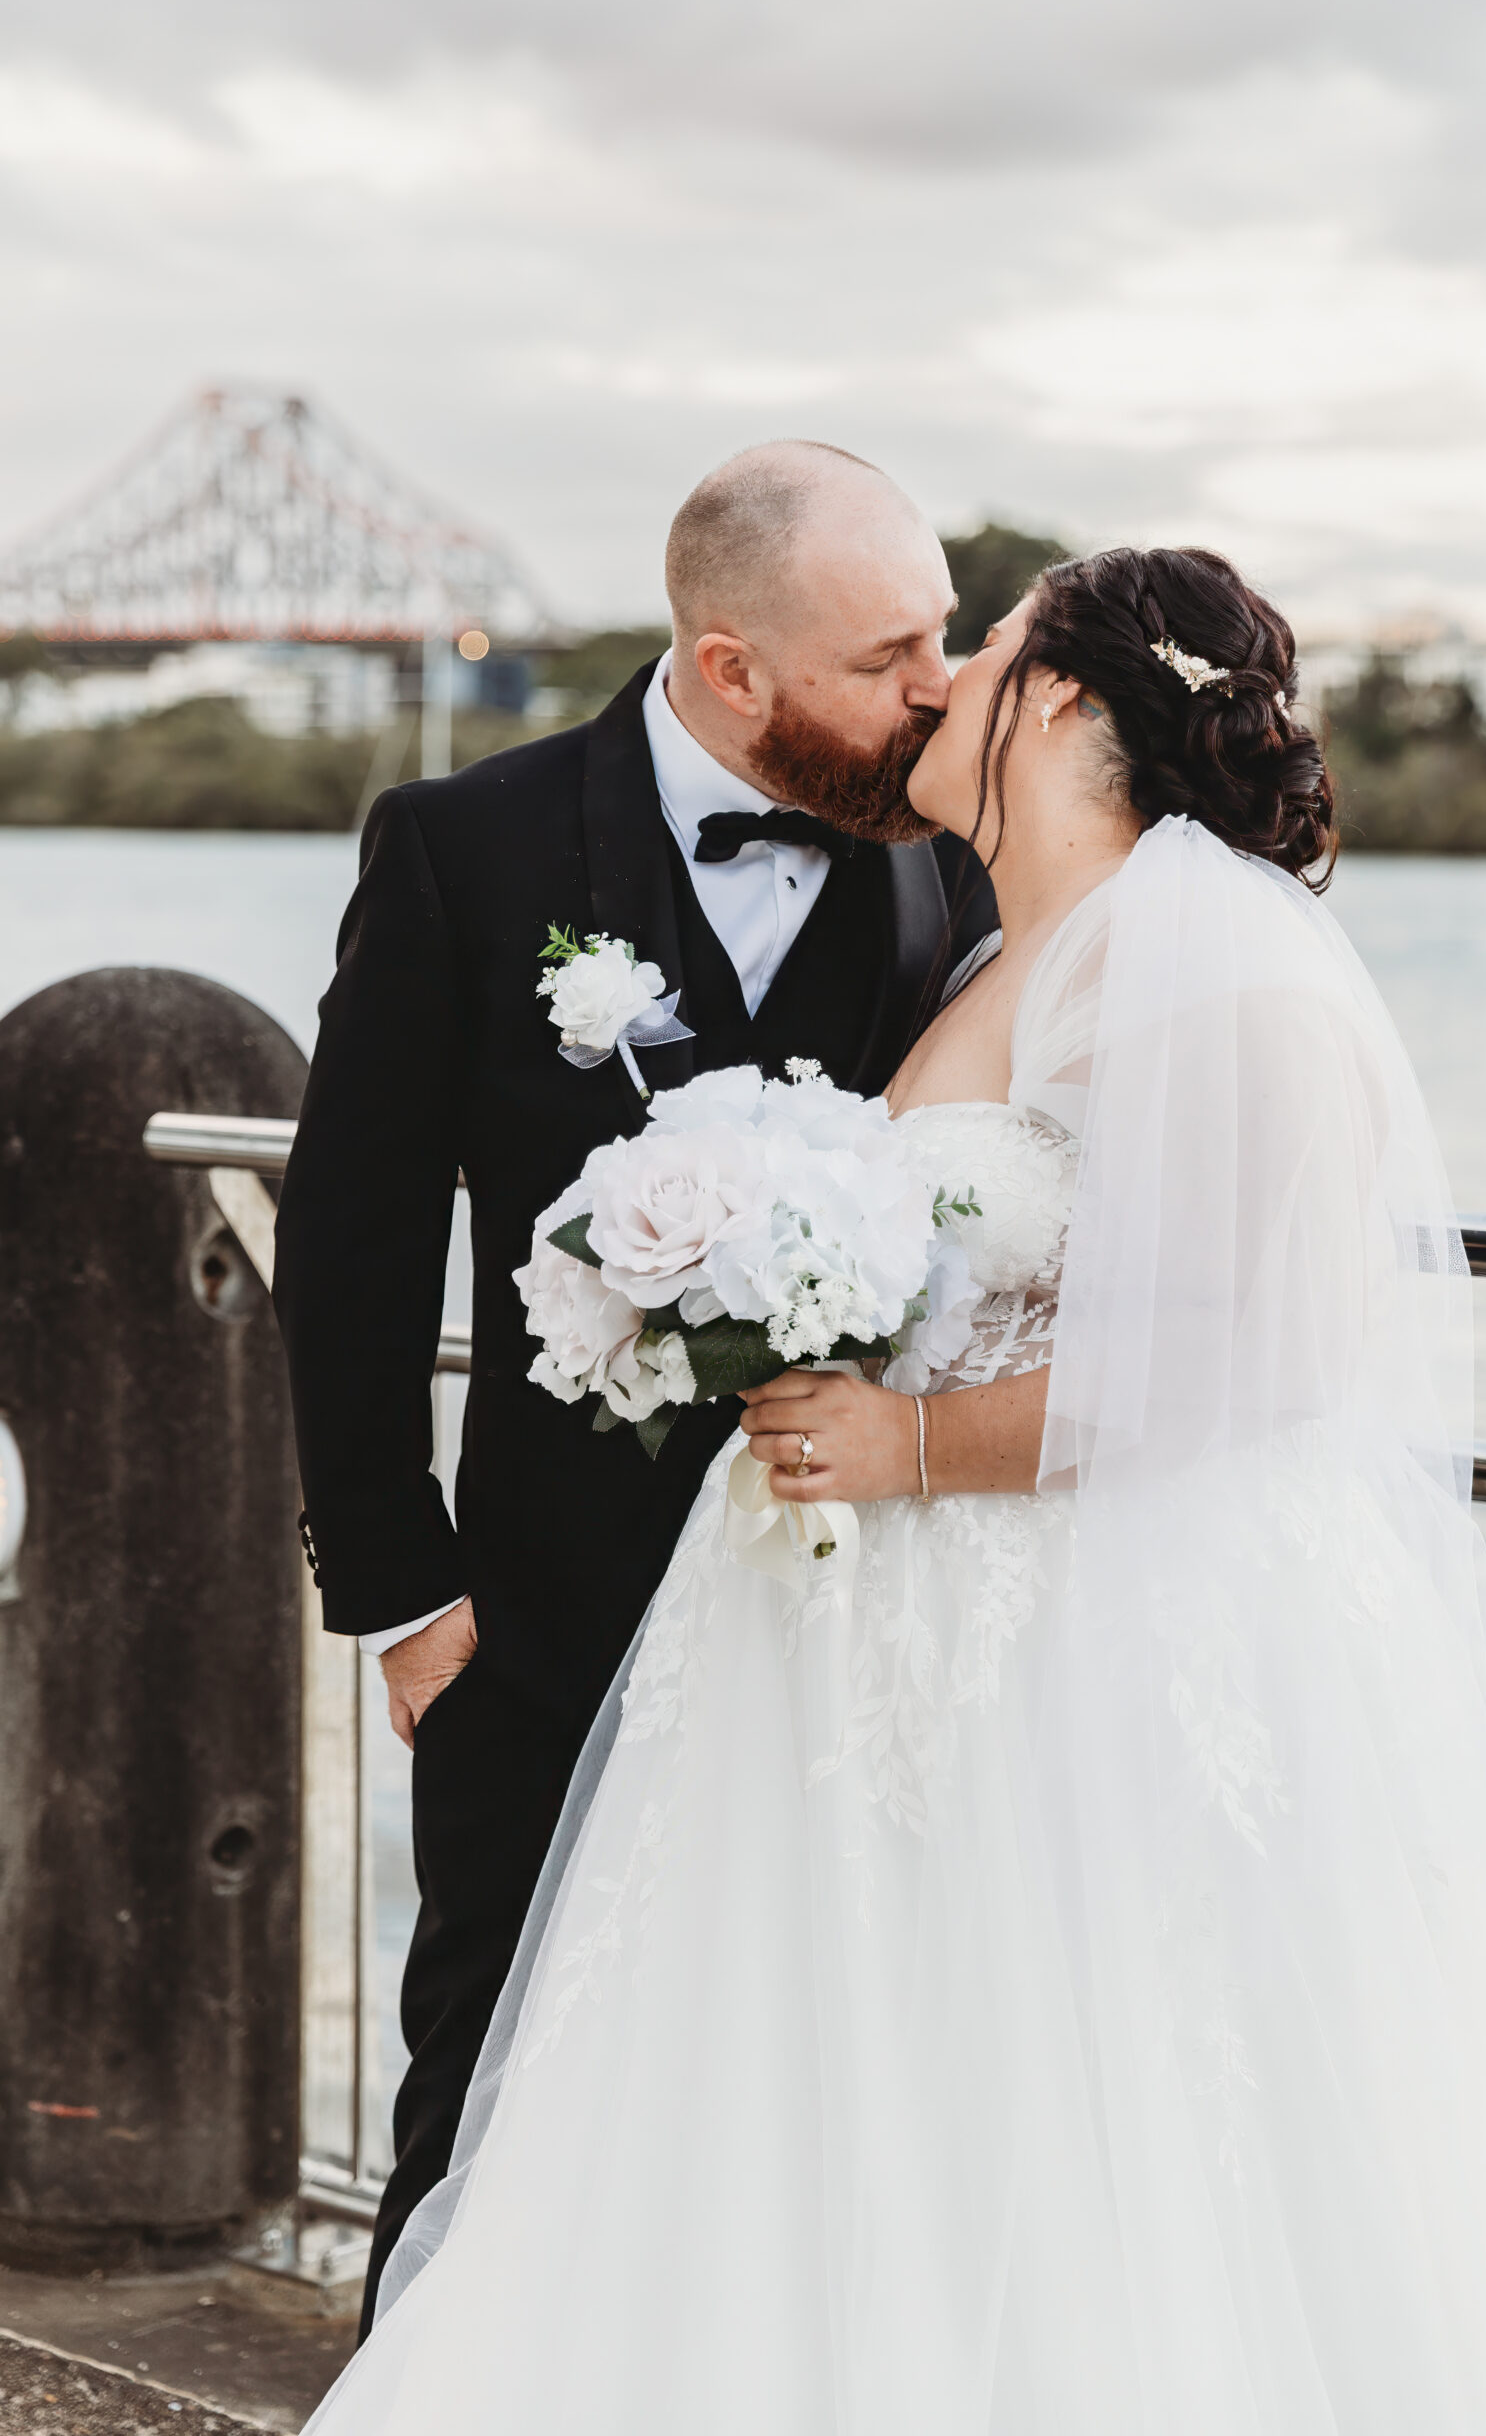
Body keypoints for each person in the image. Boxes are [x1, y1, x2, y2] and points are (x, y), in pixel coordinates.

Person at [303, 544, 1486, 2432]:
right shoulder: (989, 944)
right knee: (827, 2134)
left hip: (1069, 1654)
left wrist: (911, 1446)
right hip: (840, 1656)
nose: (942, 679)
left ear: (1063, 704)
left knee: (1080, 2141)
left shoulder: (1217, 974)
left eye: (983, 646)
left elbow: (1267, 1347)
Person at [271, 439, 997, 2329]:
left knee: (804, 2104)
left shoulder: (950, 862)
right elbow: (349, 1244)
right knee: (488, 2090)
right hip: (539, 1624)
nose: (938, 689)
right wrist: (405, 1597)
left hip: (854, 1634)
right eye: (890, 657)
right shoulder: (466, 847)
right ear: (733, 668)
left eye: (944, 637)